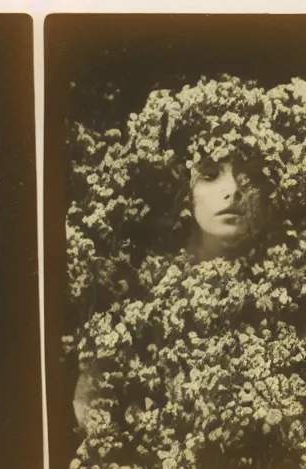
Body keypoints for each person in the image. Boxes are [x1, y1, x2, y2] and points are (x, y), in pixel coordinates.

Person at [71, 156, 266, 424]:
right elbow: (93, 412)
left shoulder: (282, 292)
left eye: (249, 176)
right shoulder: (139, 290)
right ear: (184, 188)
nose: (233, 190)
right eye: (209, 175)